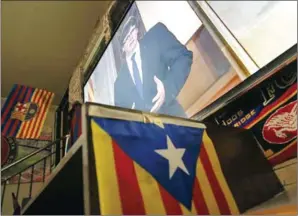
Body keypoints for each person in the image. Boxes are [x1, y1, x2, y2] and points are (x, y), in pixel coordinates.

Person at [114, 16, 193, 118]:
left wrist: (166, 89)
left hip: (175, 121)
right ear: (121, 47)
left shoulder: (156, 36)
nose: (130, 38)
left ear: (137, 29)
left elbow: (183, 57)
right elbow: (122, 121)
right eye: (126, 37)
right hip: (146, 132)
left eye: (132, 30)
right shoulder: (119, 84)